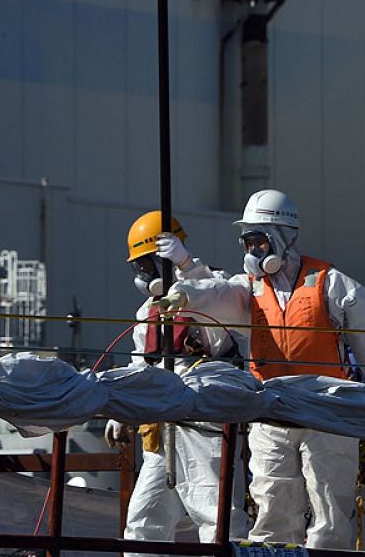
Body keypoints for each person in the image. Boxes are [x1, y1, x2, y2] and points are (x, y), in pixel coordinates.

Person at [159, 190, 365, 549]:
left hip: (327, 412)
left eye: (259, 241)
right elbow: (219, 293)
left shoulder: (331, 283)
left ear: (283, 237)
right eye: (247, 243)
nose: (253, 251)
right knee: (272, 508)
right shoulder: (249, 289)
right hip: (271, 414)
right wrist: (187, 292)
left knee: (331, 512)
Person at [105, 211, 249, 554]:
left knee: (215, 511)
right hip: (162, 427)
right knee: (144, 517)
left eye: (147, 266)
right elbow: (141, 363)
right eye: (138, 268)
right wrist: (120, 409)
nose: (143, 276)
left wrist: (187, 267)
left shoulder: (212, 285)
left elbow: (218, 298)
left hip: (205, 421)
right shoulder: (148, 313)